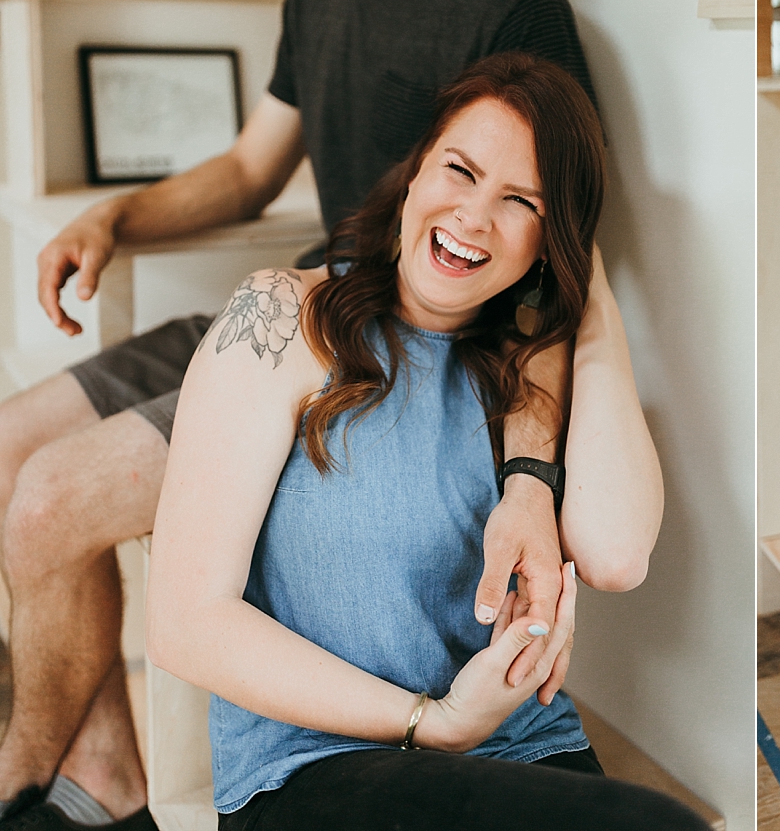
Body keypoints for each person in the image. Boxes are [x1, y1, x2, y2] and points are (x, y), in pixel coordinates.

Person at [0, 0, 605, 825]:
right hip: (281, 309)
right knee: (7, 452)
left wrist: (533, 475)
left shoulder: (510, 4)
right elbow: (246, 168)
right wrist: (118, 216)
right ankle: (108, 780)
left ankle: (25, 790)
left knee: (44, 508)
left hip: (372, 353)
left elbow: (557, 269)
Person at [144, 55, 697, 831]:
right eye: (459, 171)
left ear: (548, 243)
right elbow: (184, 625)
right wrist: (432, 724)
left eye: (520, 202)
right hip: (312, 764)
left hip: (522, 745)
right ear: (412, 176)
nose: (473, 217)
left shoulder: (527, 373)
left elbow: (615, 554)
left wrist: (590, 294)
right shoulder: (281, 318)